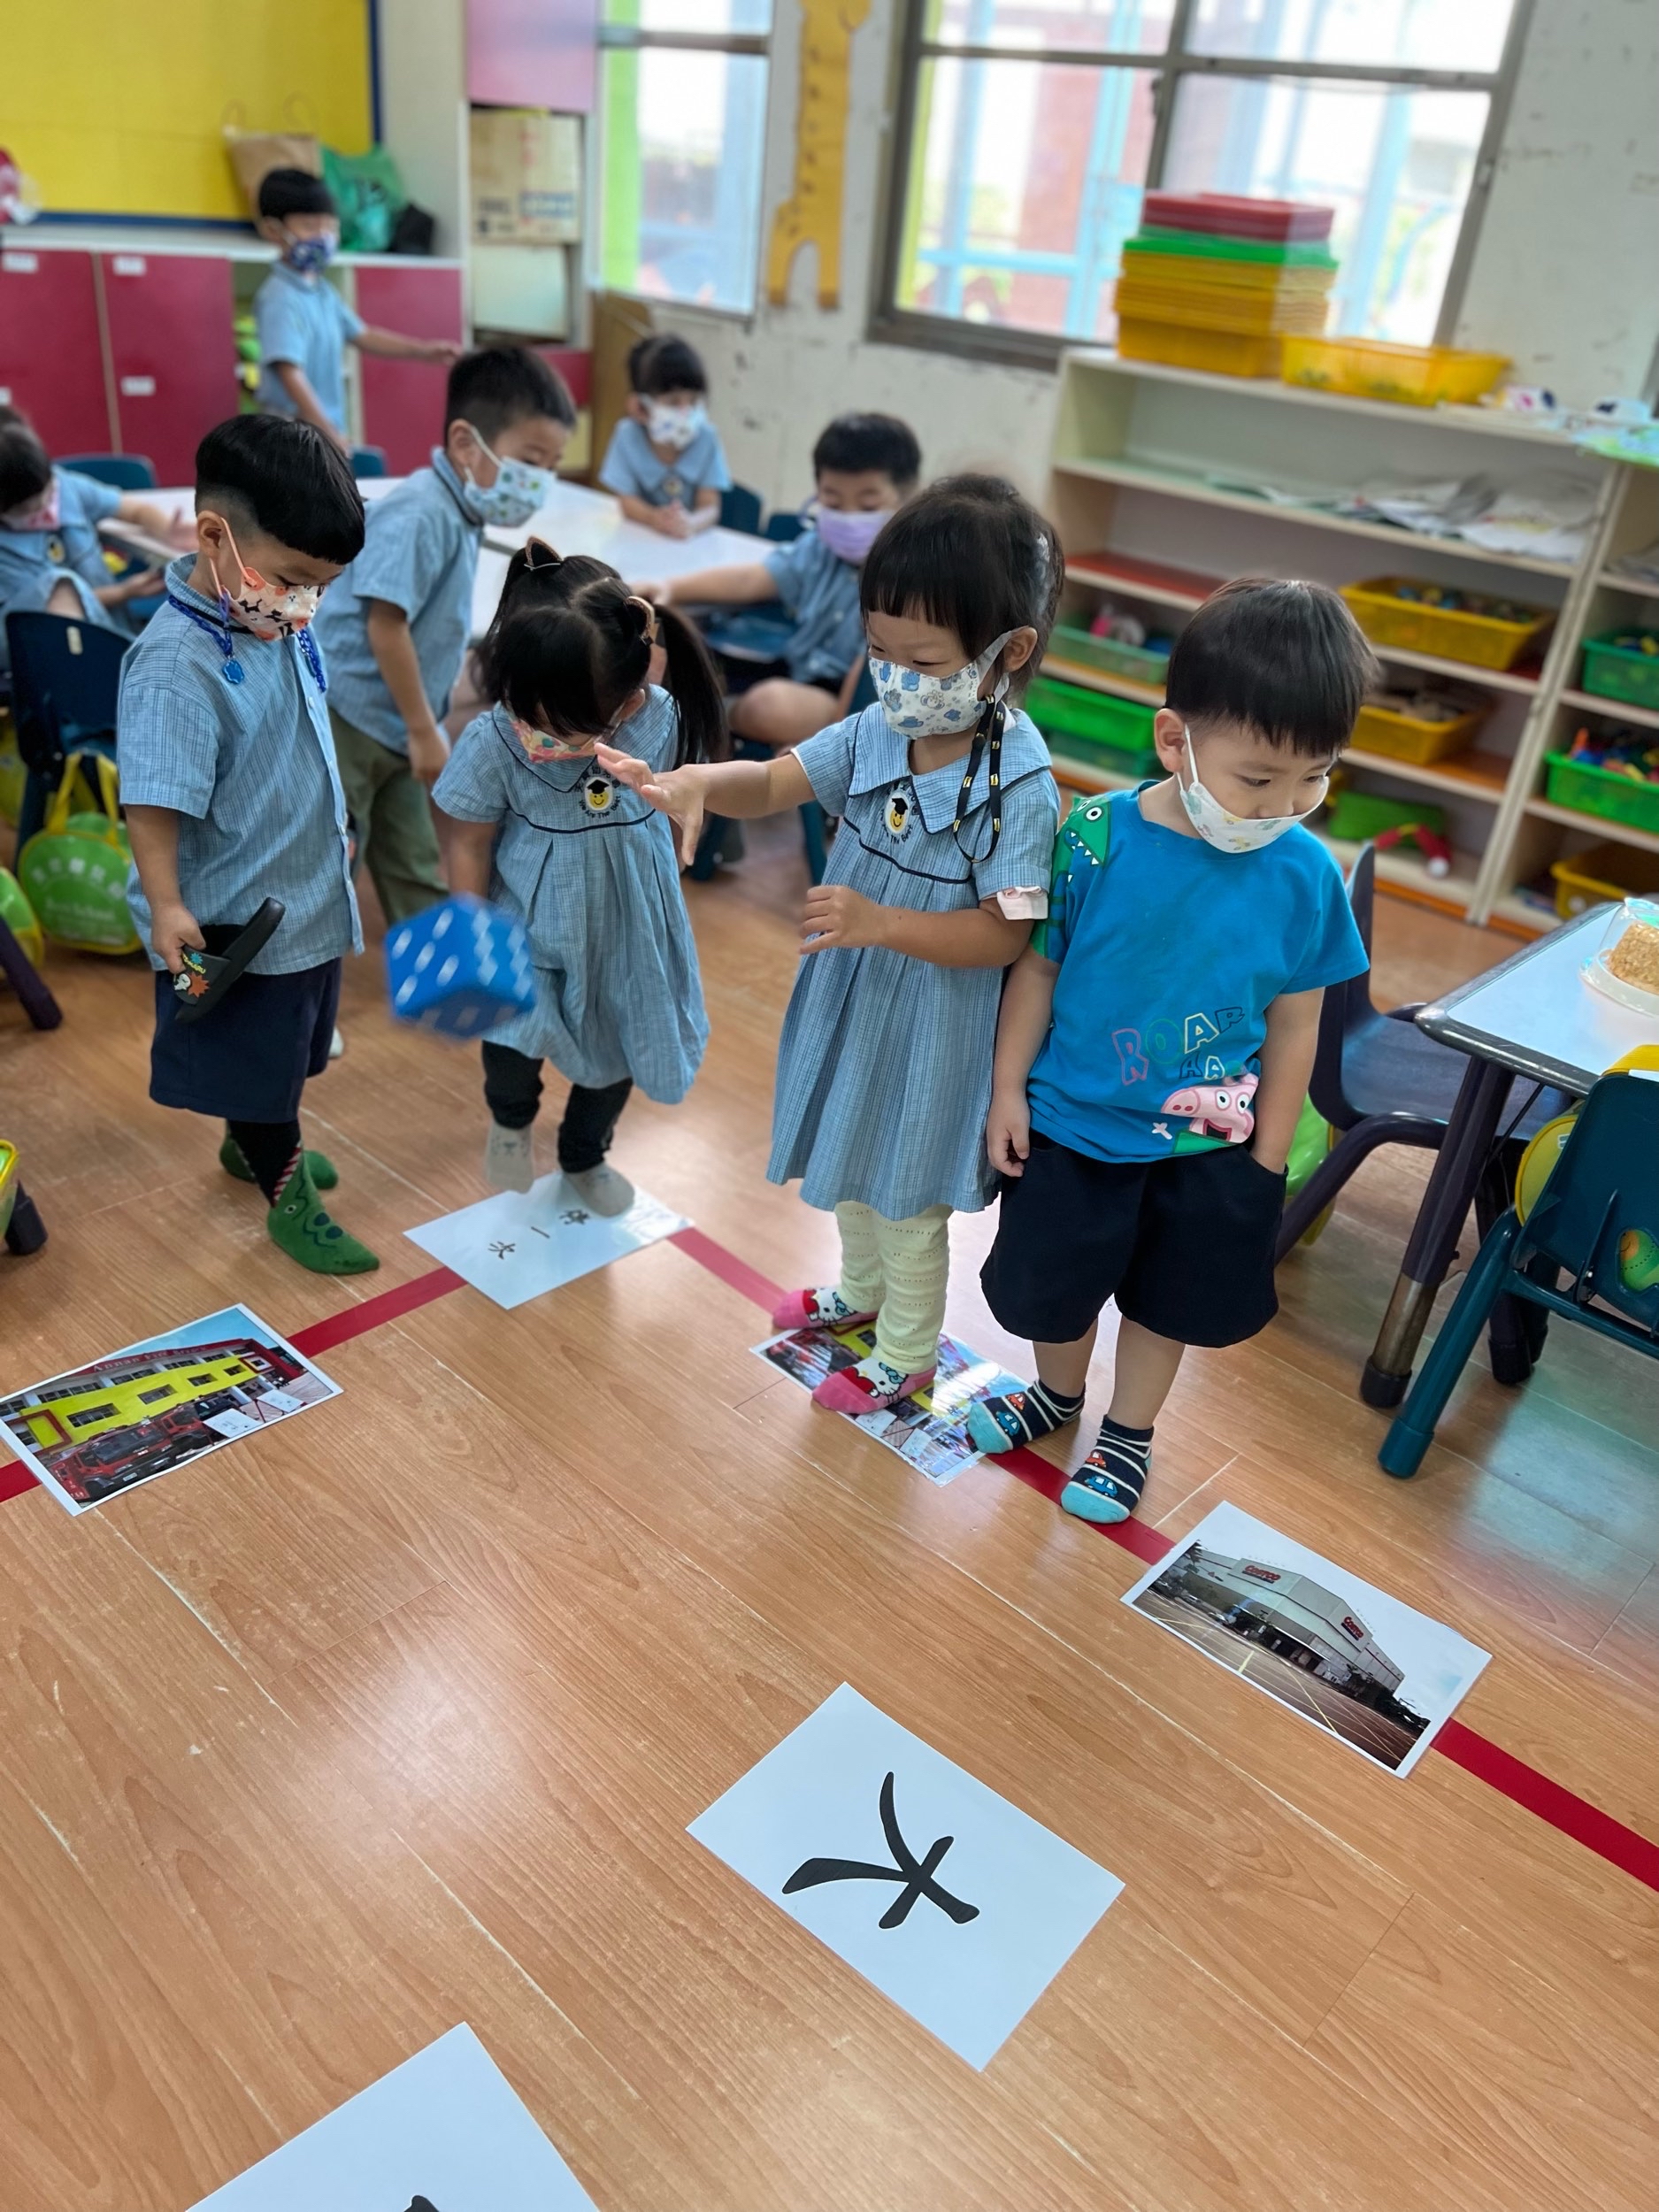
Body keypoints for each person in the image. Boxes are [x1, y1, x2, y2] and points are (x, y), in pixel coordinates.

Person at [603, 475, 1061, 1413]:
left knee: (907, 1196)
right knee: (851, 1155)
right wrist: (697, 782)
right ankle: (859, 1294)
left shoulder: (1020, 785)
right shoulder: (878, 727)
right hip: (856, 999)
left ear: (1006, 653)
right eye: (878, 650)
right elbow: (777, 781)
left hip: (933, 1027)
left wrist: (881, 922)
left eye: (922, 659)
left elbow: (1005, 933)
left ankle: (908, 1351)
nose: (894, 678)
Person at [965, 578, 1375, 1521]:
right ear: (1173, 739)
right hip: (1071, 1126)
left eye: (1315, 777)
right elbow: (1037, 969)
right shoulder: (1094, 838)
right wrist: (1007, 1090)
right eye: (1257, 779)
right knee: (1051, 1291)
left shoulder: (1308, 874)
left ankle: (1129, 1431)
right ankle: (1057, 1394)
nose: (1284, 804)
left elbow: (1297, 1022)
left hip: (1209, 1143)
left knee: (1166, 1302)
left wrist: (1269, 1155)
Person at [119, 415, 379, 1274]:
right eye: (296, 579)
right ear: (213, 536)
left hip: (303, 892)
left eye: (323, 586)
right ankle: (285, 1191)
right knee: (259, 1057)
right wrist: (165, 905)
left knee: (288, 1047)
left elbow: (301, 736)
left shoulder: (274, 620)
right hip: (239, 919)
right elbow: (153, 802)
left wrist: (335, 827)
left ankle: (250, 1139)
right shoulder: (175, 666)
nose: (307, 603)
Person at [433, 541, 726, 1213]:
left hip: (628, 923)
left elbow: (677, 798)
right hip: (528, 924)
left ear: (627, 698)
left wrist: (672, 865)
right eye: (530, 710)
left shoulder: (657, 716)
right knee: (511, 1039)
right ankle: (510, 1123)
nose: (544, 732)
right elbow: (469, 840)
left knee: (619, 1045)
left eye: (568, 721)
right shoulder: (492, 740)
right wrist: (470, 927)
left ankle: (585, 1153)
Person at [311, 347, 576, 926]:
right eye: (530, 461)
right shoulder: (421, 512)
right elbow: (385, 625)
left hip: (396, 723)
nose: (540, 482)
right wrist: (422, 729)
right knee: (329, 860)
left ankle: (445, 965)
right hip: (353, 718)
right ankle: (301, 971)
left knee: (412, 864)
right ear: (464, 444)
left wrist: (417, 727)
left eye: (551, 466)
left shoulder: (459, 512)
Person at [642, 412, 922, 752]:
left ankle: (709, 720)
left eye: (868, 505)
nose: (849, 518)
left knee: (769, 706)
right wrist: (670, 588)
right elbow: (750, 580)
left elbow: (869, 670)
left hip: (859, 701)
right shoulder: (819, 548)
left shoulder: (909, 575)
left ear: (907, 498)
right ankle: (708, 716)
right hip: (799, 674)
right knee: (676, 640)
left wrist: (837, 747)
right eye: (833, 502)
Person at [252, 169, 461, 448]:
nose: (323, 237)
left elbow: (362, 334)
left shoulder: (322, 290)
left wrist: (422, 350)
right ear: (272, 230)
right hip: (293, 434)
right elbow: (290, 372)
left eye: (330, 227)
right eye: (310, 226)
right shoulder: (280, 297)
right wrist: (327, 431)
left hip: (319, 430)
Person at [0, 406, 194, 672]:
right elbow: (55, 609)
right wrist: (125, 592)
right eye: (27, 509)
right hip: (47, 651)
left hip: (110, 628)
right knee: (57, 584)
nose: (45, 506)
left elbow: (133, 510)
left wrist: (166, 530)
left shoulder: (65, 487)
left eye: (47, 492)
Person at [598, 334, 731, 540]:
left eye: (693, 401)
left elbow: (710, 507)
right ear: (639, 407)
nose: (686, 412)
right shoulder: (627, 435)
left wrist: (691, 523)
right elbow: (627, 501)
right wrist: (653, 518)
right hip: (640, 538)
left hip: (689, 543)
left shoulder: (707, 438)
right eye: (673, 402)